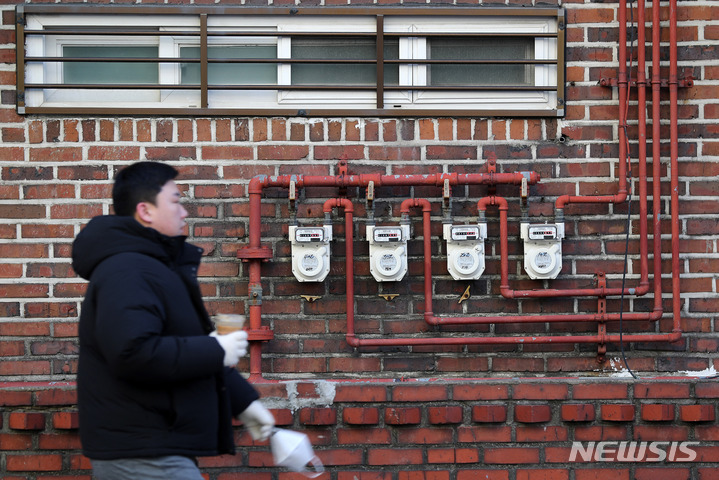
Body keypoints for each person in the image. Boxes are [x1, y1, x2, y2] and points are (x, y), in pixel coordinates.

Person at [72, 161, 275, 480]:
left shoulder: (151, 267)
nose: (184, 213)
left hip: (155, 448)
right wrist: (216, 350)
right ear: (146, 210)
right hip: (142, 454)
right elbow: (133, 353)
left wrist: (243, 401)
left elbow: (182, 343)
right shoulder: (128, 271)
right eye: (176, 201)